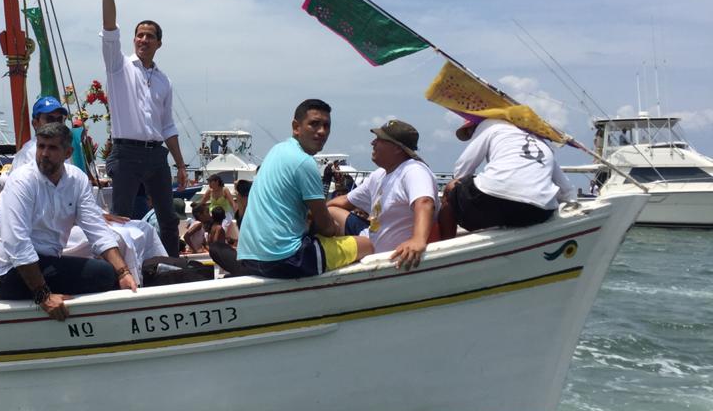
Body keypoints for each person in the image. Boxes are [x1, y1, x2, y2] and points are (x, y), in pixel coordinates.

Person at [0, 123, 137, 321]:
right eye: (41, 146)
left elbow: (97, 230)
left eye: (52, 148)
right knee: (103, 276)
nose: (44, 154)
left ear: (68, 153)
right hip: (10, 272)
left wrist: (123, 272)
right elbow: (17, 243)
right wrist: (43, 296)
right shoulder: (22, 181)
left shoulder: (77, 180)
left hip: (47, 264)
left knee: (109, 274)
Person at [94, 0, 188, 257]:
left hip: (156, 156)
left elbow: (168, 125)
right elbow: (110, 28)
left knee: (169, 219)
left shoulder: (164, 81)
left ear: (159, 43)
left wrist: (181, 163)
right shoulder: (118, 67)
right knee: (122, 219)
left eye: (149, 36)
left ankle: (174, 267)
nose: (143, 40)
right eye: (139, 35)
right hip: (126, 152)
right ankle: (122, 272)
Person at [236, 99, 371, 278]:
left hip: (249, 258)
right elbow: (326, 227)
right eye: (314, 124)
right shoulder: (304, 162)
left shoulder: (277, 150)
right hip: (285, 259)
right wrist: (336, 228)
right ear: (296, 127)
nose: (322, 131)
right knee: (368, 245)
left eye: (326, 125)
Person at [438, 118, 577, 239]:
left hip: (494, 203)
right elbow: (567, 190)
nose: (471, 135)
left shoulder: (489, 125)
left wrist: (458, 193)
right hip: (539, 212)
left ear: (475, 125)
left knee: (451, 188)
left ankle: (442, 247)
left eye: (470, 132)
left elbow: (462, 169)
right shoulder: (540, 141)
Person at [328, 120, 438, 271]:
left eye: (379, 140)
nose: (373, 143)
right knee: (330, 210)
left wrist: (417, 240)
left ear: (397, 148)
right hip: (368, 237)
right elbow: (345, 201)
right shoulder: (379, 175)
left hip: (383, 252)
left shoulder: (413, 171)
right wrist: (311, 212)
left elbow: (424, 202)